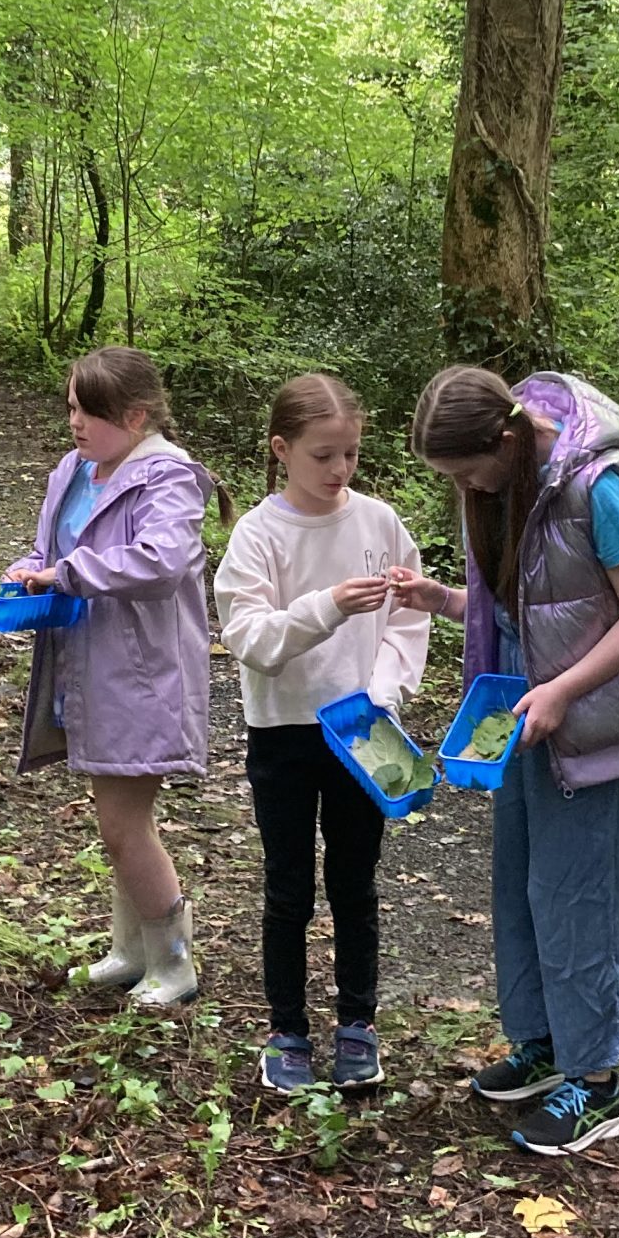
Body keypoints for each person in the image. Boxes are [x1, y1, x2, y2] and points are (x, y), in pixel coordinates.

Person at [390, 367, 619, 1156]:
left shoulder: (598, 490)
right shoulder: (505, 486)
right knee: (524, 884)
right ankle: (546, 1045)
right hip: (521, 713)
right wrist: (441, 598)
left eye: (465, 471)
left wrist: (562, 689)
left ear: (507, 440)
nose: (464, 487)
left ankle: (599, 1081)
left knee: (580, 893)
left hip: (586, 720)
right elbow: (524, 605)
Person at [215, 374, 432, 1094]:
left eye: (351, 455)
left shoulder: (379, 523)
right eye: (323, 456)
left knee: (354, 882)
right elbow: (250, 639)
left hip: (364, 731)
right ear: (282, 451)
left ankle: (358, 1025)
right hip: (282, 730)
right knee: (288, 887)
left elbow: (408, 619)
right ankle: (287, 1030)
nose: (340, 471)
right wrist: (329, 607)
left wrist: (386, 690)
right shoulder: (258, 535)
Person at [11, 346, 230, 1008]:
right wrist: (27, 570)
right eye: (71, 407)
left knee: (122, 826)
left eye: (89, 412)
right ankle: (131, 951)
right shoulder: (76, 470)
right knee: (121, 823)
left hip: (140, 674)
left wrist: (67, 575)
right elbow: (53, 550)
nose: (75, 423)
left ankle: (173, 960)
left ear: (135, 417)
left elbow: (161, 562)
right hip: (86, 665)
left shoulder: (167, 479)